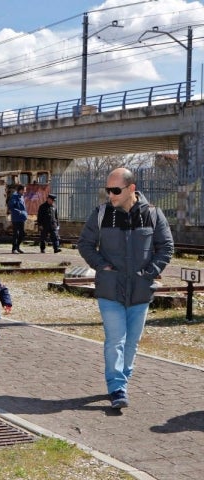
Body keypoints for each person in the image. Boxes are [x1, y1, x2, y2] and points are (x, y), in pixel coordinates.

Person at [78, 167, 174, 409]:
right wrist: (102, 266)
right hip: (110, 289)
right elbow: (85, 244)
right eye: (108, 190)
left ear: (131, 188)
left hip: (141, 291)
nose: (110, 195)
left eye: (115, 190)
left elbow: (166, 247)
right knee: (115, 340)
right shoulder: (101, 214)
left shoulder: (153, 214)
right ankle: (117, 387)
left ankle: (124, 379)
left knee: (132, 341)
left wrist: (150, 272)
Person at [8, 184, 27, 254]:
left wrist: (24, 214)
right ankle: (14, 249)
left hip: (21, 218)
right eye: (24, 190)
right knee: (16, 233)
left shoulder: (21, 197)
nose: (25, 191)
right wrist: (19, 212)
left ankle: (18, 247)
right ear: (20, 190)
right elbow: (11, 207)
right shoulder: (14, 197)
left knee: (22, 234)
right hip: (16, 218)